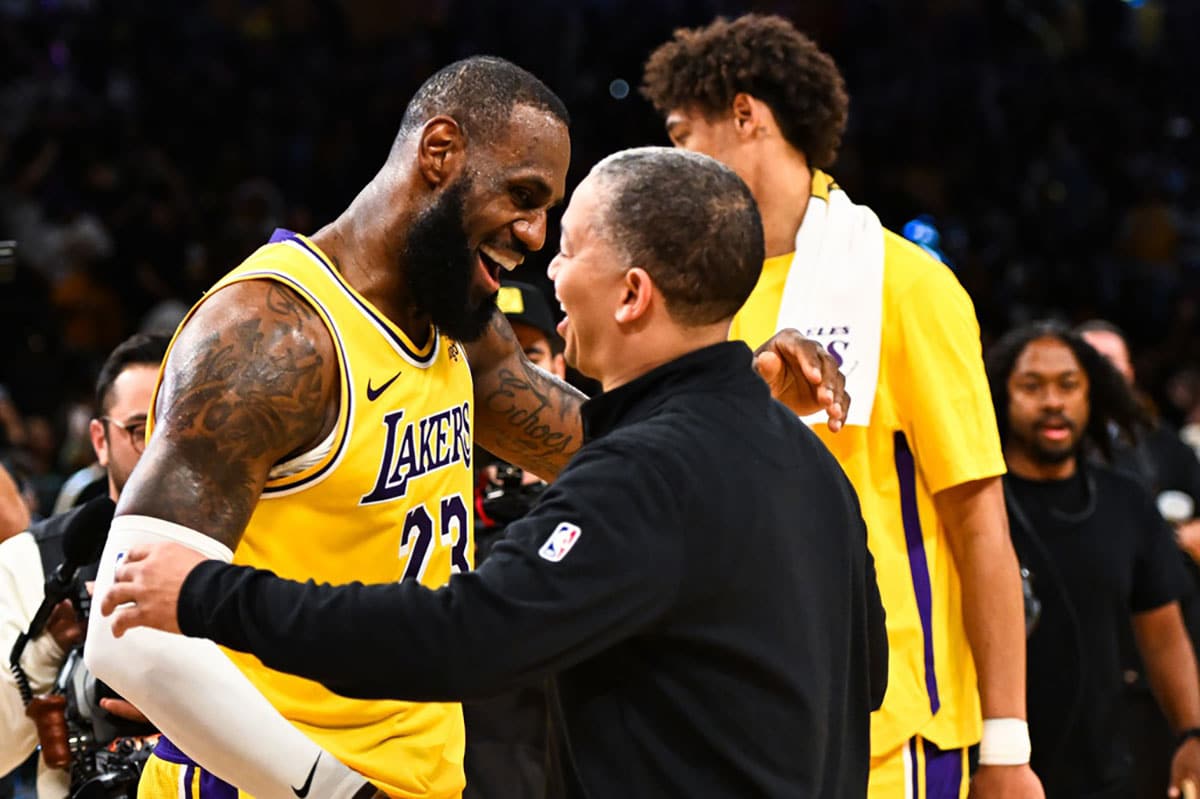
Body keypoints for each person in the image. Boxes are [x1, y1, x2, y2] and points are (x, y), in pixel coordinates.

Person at [83, 58, 851, 799]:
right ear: (440, 153)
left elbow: (603, 447)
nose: (535, 235)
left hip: (421, 771)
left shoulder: (459, 325)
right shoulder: (267, 335)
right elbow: (126, 631)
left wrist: (728, 396)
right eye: (523, 196)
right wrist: (334, 788)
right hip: (278, 777)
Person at [640, 14, 1040, 798]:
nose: (674, 162)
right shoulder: (690, 295)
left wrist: (1008, 745)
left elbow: (980, 519)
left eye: (683, 134)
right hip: (739, 713)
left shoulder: (905, 283)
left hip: (895, 729)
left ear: (746, 115)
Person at [985, 320, 1200, 798]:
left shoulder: (1127, 501)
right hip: (992, 766)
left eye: (1069, 385)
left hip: (1106, 767)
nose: (1053, 401)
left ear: (1092, 395)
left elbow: (1164, 631)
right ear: (1002, 395)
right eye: (1031, 386)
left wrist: (1192, 732)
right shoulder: (975, 504)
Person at [0, 333, 167, 797]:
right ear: (100, 439)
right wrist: (49, 647)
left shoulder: (255, 546)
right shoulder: (34, 561)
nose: (160, 447)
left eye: (177, 427)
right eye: (138, 429)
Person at [466, 279, 567, 799]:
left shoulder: (596, 466)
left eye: (531, 357)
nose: (519, 378)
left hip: (574, 741)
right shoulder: (446, 467)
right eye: (508, 363)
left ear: (560, 370)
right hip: (484, 753)